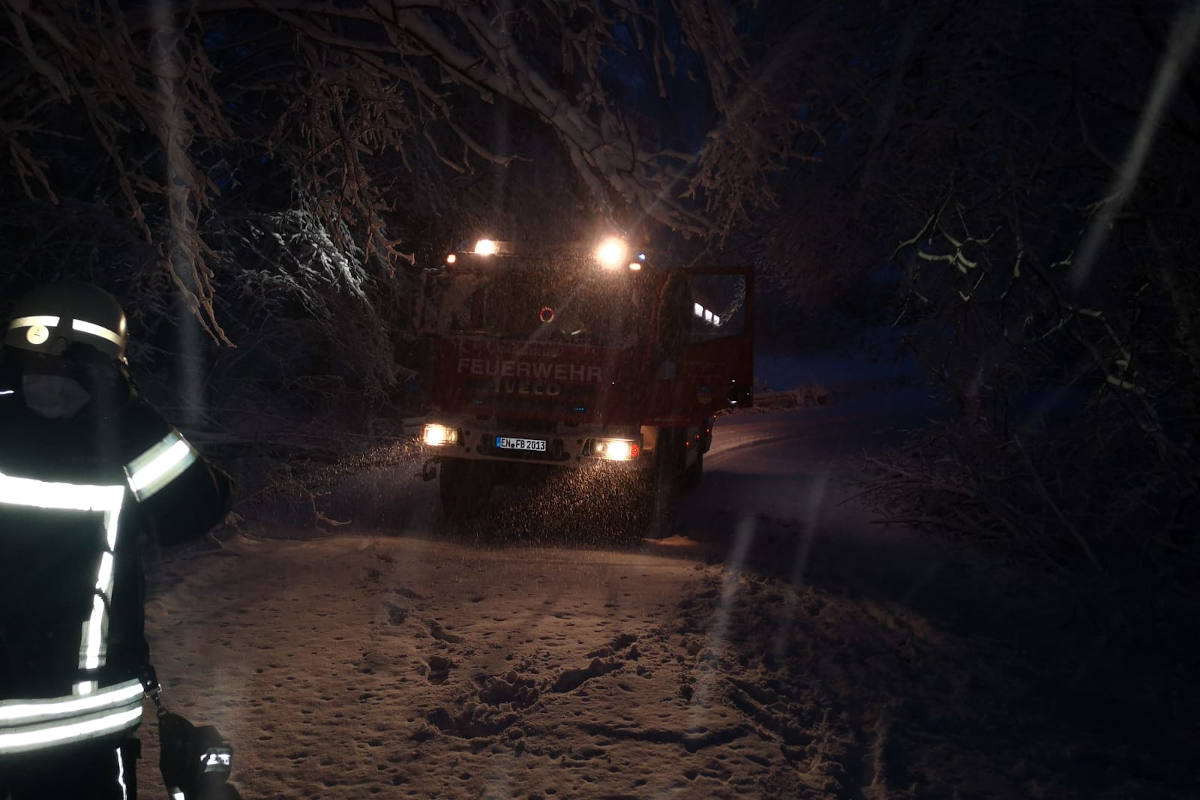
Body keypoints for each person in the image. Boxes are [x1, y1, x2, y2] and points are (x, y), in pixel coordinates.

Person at [0, 282, 234, 799]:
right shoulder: (122, 440)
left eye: (75, 377)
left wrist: (127, 415)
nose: (54, 390)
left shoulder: (123, 440)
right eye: (41, 372)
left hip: (87, 742)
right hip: (87, 736)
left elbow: (196, 511)